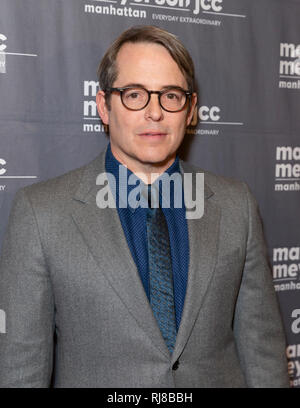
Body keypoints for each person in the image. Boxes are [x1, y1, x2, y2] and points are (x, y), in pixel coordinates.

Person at [0, 25, 289, 388]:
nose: (155, 113)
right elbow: (21, 369)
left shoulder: (236, 205)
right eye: (134, 94)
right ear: (104, 106)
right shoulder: (41, 213)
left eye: (170, 96)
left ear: (190, 110)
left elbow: (262, 352)